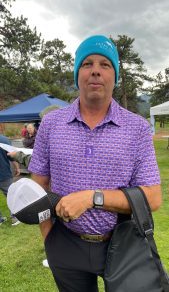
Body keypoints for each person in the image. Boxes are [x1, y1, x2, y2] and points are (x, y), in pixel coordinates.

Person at [28, 35, 162, 292]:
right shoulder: (51, 124)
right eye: (87, 63)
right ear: (77, 73)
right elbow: (39, 185)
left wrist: (92, 198)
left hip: (122, 244)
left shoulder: (137, 128)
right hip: (65, 243)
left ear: (115, 76)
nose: (96, 71)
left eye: (105, 65)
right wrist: (49, 238)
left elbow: (153, 198)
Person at [0, 134, 20, 226]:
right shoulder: (3, 139)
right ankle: (15, 218)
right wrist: (17, 167)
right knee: (10, 195)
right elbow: (12, 155)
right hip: (4, 173)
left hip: (3, 173)